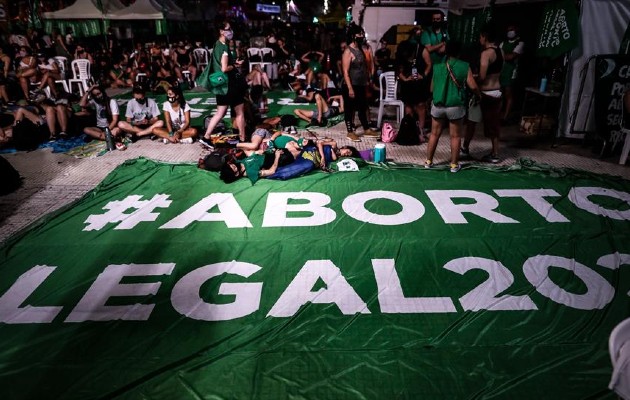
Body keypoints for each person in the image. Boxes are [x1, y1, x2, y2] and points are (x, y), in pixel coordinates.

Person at [425, 41, 480, 173]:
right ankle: (454, 165)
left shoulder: (437, 67)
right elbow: (473, 86)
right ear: (459, 52)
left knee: (434, 134)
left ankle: (428, 162)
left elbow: (432, 88)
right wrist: (479, 94)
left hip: (438, 106)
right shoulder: (464, 66)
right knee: (455, 136)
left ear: (446, 51)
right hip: (455, 106)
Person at [201, 21, 247, 146]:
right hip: (229, 84)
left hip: (221, 86)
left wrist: (233, 63)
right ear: (221, 31)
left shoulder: (217, 44)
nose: (231, 31)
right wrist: (235, 65)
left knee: (220, 113)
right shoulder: (224, 47)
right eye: (228, 29)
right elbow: (224, 68)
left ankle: (206, 137)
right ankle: (243, 139)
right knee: (239, 112)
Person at [341, 24, 379, 142]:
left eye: (362, 34)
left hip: (361, 84)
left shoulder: (361, 49)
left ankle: (366, 129)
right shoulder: (348, 51)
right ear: (353, 36)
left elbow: (364, 67)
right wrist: (350, 88)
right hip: (350, 85)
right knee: (349, 108)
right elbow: (345, 72)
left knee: (362, 107)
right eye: (359, 34)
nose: (362, 36)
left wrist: (368, 78)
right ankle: (350, 132)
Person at [477, 23, 504, 163]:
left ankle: (495, 154)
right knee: (494, 123)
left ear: (485, 37)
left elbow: (482, 76)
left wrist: (472, 77)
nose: (479, 39)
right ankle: (495, 151)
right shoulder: (501, 51)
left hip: (488, 93)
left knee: (491, 125)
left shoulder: (486, 53)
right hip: (498, 90)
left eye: (481, 36)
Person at [398, 29, 432, 135]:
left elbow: (429, 64)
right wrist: (404, 78)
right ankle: (409, 128)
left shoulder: (422, 50)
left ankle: (420, 130)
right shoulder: (402, 49)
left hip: (419, 83)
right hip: (407, 83)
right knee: (408, 105)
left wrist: (424, 75)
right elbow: (398, 69)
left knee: (420, 105)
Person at [79, 84, 126, 150]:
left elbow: (115, 120)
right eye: (95, 95)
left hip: (111, 127)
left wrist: (107, 131)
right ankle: (109, 138)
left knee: (116, 131)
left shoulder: (111, 102)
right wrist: (88, 91)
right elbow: (82, 104)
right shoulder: (95, 102)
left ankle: (105, 137)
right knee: (86, 129)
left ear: (103, 92)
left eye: (99, 93)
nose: (97, 96)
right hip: (100, 128)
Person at [220, 148, 293, 184]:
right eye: (233, 168)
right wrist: (277, 156)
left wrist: (261, 152)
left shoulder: (238, 162)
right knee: (291, 153)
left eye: (231, 165)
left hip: (269, 153)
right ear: (236, 174)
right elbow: (272, 171)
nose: (233, 165)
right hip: (276, 159)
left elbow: (251, 157)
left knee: (288, 146)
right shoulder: (250, 172)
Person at [499, 24, 524, 122]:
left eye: (512, 29)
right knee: (500, 94)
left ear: (516, 30)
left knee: (508, 94)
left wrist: (503, 55)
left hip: (511, 72)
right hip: (502, 71)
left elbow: (511, 57)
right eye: (508, 30)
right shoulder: (503, 43)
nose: (510, 32)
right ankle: (498, 115)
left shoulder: (520, 43)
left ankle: (505, 117)